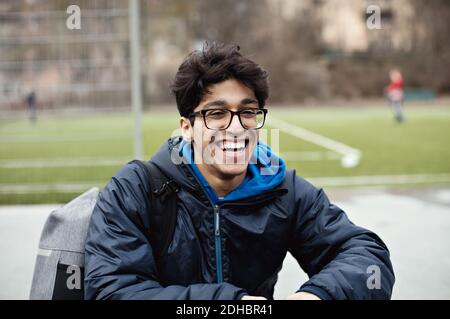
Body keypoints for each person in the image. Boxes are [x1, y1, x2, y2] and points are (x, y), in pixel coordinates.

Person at [84, 42, 395, 300]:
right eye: (216, 113)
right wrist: (230, 304)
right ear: (187, 128)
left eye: (247, 112)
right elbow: (111, 290)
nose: (235, 127)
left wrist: (318, 296)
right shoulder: (135, 189)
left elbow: (368, 258)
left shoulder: (285, 190)